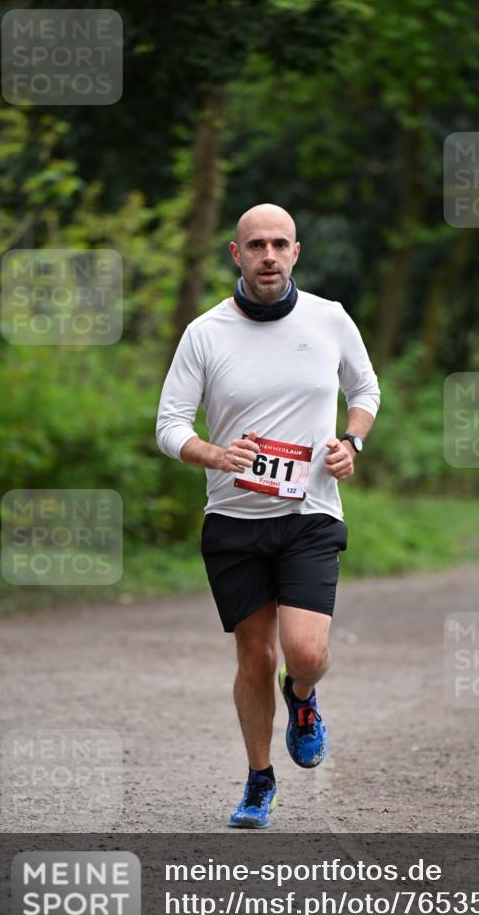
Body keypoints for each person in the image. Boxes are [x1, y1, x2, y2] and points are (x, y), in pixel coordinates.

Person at [156, 203, 380, 827]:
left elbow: (365, 391)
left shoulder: (329, 319)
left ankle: (303, 698)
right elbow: (169, 425)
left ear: (296, 252)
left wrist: (351, 441)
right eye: (256, 245)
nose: (268, 256)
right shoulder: (205, 333)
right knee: (255, 657)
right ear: (236, 254)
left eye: (280, 244)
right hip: (233, 520)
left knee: (303, 653)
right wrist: (216, 454)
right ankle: (259, 781)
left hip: (309, 513)